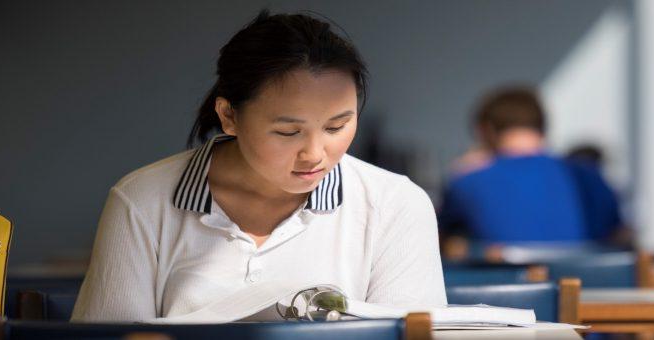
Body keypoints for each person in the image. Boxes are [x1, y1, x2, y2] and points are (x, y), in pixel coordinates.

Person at [71, 10, 446, 322]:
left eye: (337, 126)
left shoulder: (395, 204)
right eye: (287, 132)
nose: (315, 153)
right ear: (229, 115)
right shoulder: (142, 201)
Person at [439, 87, 586, 259]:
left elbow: (436, 237)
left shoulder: (468, 180)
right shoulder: (586, 177)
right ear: (542, 127)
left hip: (506, 281)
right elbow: (616, 235)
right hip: (588, 284)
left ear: (486, 130)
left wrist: (458, 171)